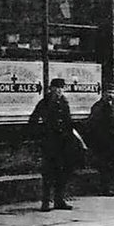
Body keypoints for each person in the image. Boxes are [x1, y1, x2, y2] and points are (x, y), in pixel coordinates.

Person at [27, 78, 77, 212]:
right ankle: (46, 202)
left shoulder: (64, 103)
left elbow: (68, 121)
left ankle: (59, 200)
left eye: (61, 88)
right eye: (56, 88)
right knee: (49, 173)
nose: (59, 91)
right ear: (51, 89)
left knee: (62, 171)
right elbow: (33, 120)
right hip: (50, 143)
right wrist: (41, 134)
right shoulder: (44, 103)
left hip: (63, 143)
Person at [85, 87, 114, 196]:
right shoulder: (98, 107)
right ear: (103, 93)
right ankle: (106, 188)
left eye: (113, 92)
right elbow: (94, 125)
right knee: (105, 166)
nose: (111, 95)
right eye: (109, 92)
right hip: (103, 142)